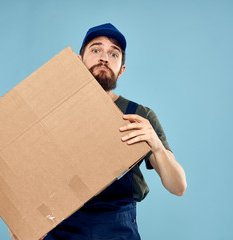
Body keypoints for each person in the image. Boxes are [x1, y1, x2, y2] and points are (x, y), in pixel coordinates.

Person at [9, 23, 187, 240]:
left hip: (117, 229)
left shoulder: (138, 116)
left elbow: (178, 187)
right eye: (96, 50)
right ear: (77, 61)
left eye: (114, 54)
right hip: (61, 228)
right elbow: (28, 175)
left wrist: (156, 146)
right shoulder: (50, 112)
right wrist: (20, 223)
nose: (104, 57)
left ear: (121, 70)